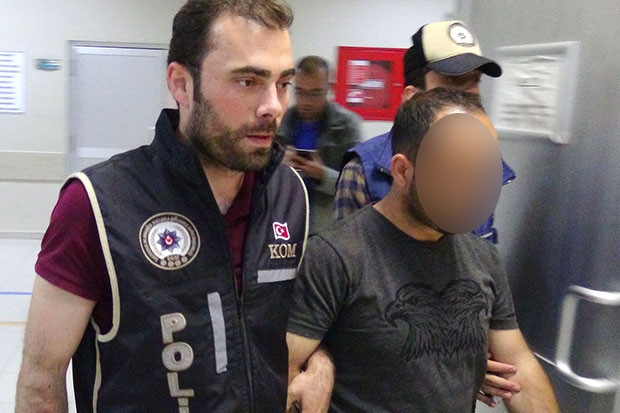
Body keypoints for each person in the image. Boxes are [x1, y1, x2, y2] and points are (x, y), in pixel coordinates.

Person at [15, 1, 332, 411]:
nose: (273, 105)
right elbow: (40, 380)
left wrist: (321, 363)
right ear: (181, 84)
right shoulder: (97, 204)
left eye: (283, 83)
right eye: (248, 81)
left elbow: (291, 325)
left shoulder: (290, 195)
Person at [287, 88, 559, 412]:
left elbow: (520, 370)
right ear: (402, 171)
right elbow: (283, 372)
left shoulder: (484, 258)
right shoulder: (334, 257)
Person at [334, 20, 516, 244]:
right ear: (412, 97)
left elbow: (485, 253)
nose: (472, 95)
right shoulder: (363, 172)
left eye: (475, 81)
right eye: (455, 82)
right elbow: (346, 260)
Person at [278, 55, 362, 233]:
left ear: (329, 89)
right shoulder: (280, 122)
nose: (306, 101)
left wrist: (323, 175)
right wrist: (277, 166)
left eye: (315, 93)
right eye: (300, 91)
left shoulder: (347, 126)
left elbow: (358, 186)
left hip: (329, 229)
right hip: (285, 225)